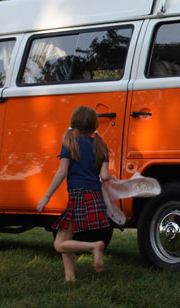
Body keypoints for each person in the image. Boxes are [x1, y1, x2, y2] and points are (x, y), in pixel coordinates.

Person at [37, 106, 112, 282]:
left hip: (78, 196)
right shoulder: (101, 147)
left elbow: (62, 172)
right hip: (94, 197)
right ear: (95, 126)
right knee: (66, 236)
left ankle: (93, 247)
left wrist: (46, 197)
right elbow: (105, 176)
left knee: (59, 243)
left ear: (74, 124)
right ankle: (70, 277)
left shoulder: (69, 144)